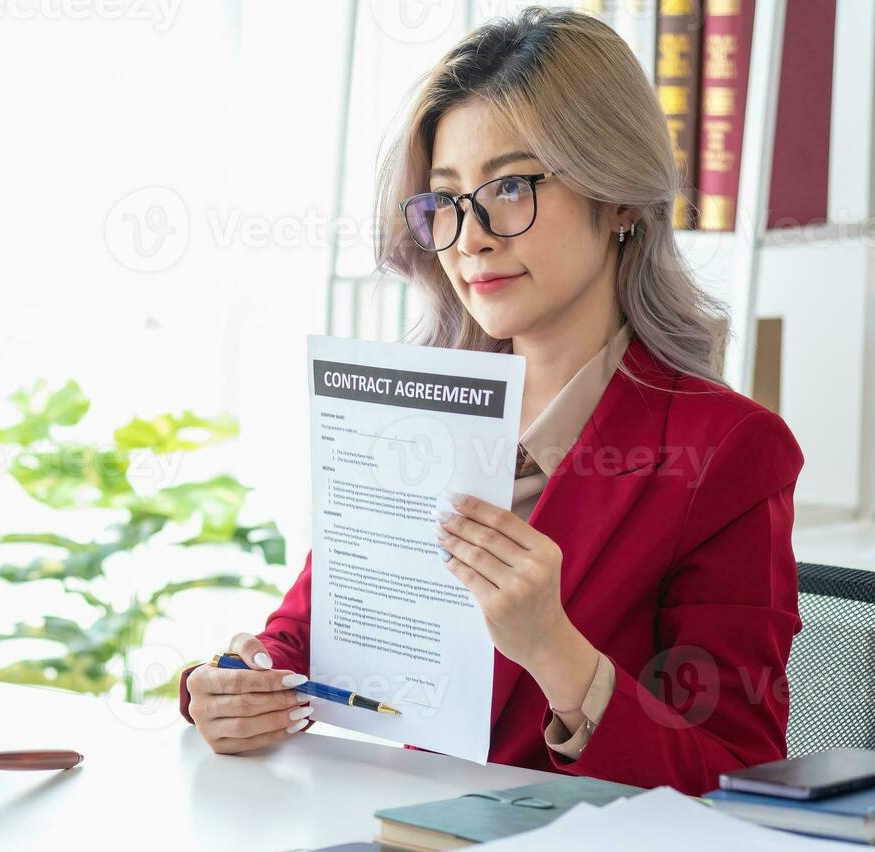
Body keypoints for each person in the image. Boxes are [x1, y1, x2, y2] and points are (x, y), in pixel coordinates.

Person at [177, 7, 803, 796]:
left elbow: (737, 773)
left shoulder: (727, 450)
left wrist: (554, 649)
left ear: (617, 202)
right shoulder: (410, 411)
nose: (470, 238)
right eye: (447, 200)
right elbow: (305, 642)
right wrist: (233, 687)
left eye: (509, 188)